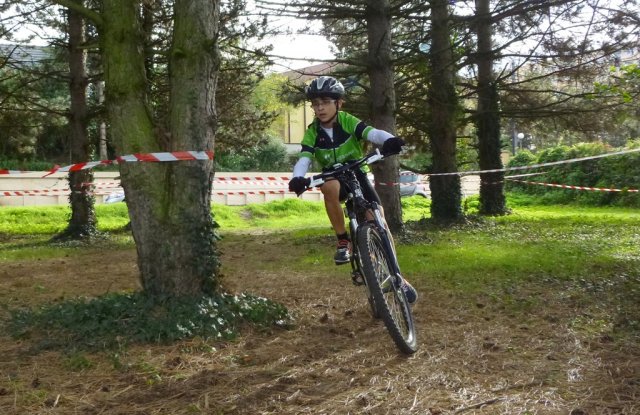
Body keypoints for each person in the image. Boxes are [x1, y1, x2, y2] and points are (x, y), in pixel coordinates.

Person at [288, 75, 417, 303]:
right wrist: (298, 178)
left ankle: (397, 277)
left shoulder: (347, 121)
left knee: (380, 223)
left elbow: (372, 133)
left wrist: (390, 140)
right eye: (315, 104)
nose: (320, 108)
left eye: (325, 102)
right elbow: (304, 158)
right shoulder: (312, 132)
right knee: (328, 186)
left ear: (338, 103)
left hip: (356, 172)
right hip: (333, 177)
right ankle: (342, 240)